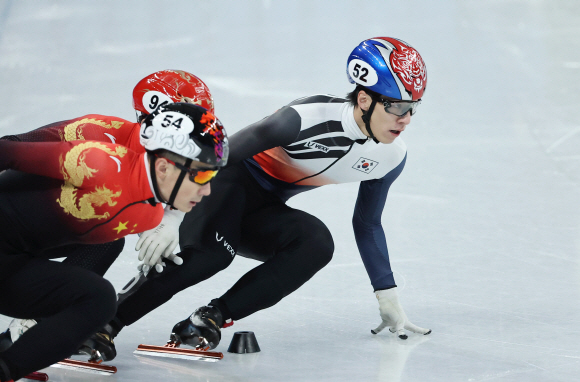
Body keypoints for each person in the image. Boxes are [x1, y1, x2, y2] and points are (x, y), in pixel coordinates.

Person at [91, 36, 432, 357]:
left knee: (316, 243)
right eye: (398, 107)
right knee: (211, 255)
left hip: (263, 209)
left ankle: (209, 317)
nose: (406, 119)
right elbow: (218, 156)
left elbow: (368, 223)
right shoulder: (303, 118)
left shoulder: (391, 158)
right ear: (364, 99)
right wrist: (173, 214)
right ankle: (105, 323)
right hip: (222, 185)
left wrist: (386, 295)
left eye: (413, 108)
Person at [0, 103, 228, 382]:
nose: (207, 190)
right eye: (203, 175)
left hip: (11, 260)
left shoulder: (149, 214)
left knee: (97, 299)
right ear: (165, 167)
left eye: (214, 176)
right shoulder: (100, 162)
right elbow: (7, 151)